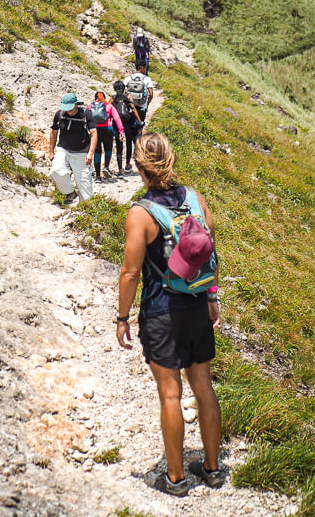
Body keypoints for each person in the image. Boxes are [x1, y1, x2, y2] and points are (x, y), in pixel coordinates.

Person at [116, 133, 222, 497]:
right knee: (203, 387)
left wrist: (122, 317)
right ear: (172, 161)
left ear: (139, 166)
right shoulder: (195, 200)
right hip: (196, 305)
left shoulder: (140, 214)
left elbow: (130, 273)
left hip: (161, 311)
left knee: (171, 394)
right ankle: (212, 468)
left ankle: (175, 479)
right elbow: (211, 254)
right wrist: (212, 297)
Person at [49, 93, 97, 203]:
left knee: (85, 190)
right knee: (55, 171)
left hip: (81, 153)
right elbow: (53, 133)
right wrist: (51, 151)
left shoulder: (86, 115)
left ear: (76, 104)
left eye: (70, 108)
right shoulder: (59, 114)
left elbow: (94, 134)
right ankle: (70, 193)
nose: (68, 111)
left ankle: (85, 212)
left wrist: (90, 153)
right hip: (63, 149)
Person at [87, 90, 124, 182]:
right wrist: (121, 131)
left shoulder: (91, 106)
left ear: (95, 98)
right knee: (108, 149)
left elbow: (86, 117)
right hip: (108, 129)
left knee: (97, 151)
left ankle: (98, 176)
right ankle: (106, 167)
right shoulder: (109, 106)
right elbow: (117, 118)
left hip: (95, 131)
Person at [110, 80, 142, 176]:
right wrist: (139, 122)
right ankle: (127, 165)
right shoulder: (128, 96)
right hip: (128, 124)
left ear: (115, 89)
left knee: (119, 147)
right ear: (124, 88)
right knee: (129, 143)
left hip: (117, 124)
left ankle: (120, 170)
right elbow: (133, 108)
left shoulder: (112, 98)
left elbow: (108, 110)